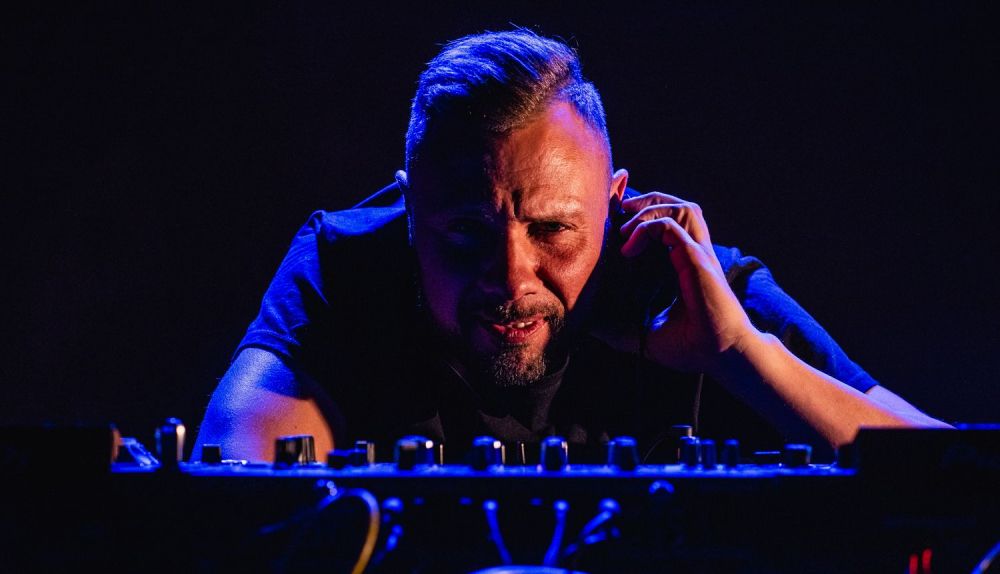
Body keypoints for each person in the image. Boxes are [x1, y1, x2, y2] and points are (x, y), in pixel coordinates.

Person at [193, 29, 948, 465]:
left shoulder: (686, 283)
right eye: (466, 234)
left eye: (552, 229)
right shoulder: (345, 264)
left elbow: (961, 482)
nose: (510, 275)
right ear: (409, 212)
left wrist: (740, 354)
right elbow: (230, 497)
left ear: (615, 207)